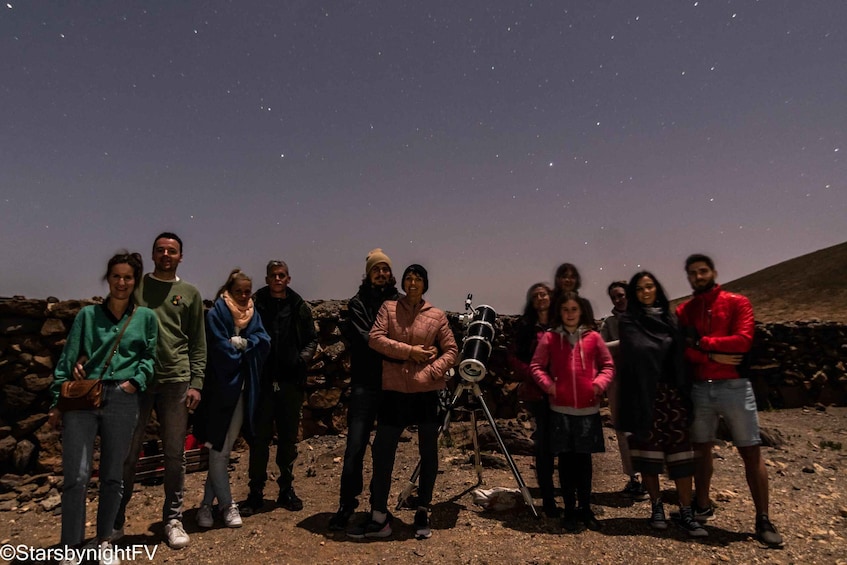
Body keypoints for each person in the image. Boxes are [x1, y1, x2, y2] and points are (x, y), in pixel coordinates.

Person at [48, 252, 158, 564]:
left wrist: (134, 382)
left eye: (128, 277)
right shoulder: (87, 316)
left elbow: (150, 356)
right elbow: (68, 361)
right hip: (83, 399)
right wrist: (58, 400)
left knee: (113, 476)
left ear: (135, 281)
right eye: (116, 276)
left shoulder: (146, 318)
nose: (121, 282)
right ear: (107, 278)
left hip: (123, 399)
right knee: (77, 476)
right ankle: (70, 546)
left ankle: (104, 540)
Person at [676, 254, 784, 547]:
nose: (698, 277)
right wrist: (711, 354)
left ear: (713, 271)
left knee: (750, 450)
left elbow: (743, 340)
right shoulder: (686, 310)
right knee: (701, 449)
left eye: (702, 271)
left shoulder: (737, 302)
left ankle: (763, 518)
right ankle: (702, 504)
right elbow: (682, 349)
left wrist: (702, 344)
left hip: (735, 386)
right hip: (701, 387)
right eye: (692, 273)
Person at [110, 233, 207, 550]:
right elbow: (114, 326)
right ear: (152, 254)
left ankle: (173, 519)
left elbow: (197, 342)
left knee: (175, 454)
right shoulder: (135, 288)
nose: (166, 254)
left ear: (181, 256)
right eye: (161, 249)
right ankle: (114, 521)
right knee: (127, 453)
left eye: (172, 250)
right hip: (136, 382)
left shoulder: (190, 294)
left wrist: (197, 383)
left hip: (176, 380)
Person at [348, 264, 458, 540]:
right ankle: (379, 515)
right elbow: (375, 339)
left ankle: (423, 509)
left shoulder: (437, 315)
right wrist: (410, 352)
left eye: (417, 279)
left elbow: (452, 350)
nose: (412, 283)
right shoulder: (388, 308)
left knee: (428, 453)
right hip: (394, 391)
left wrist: (431, 372)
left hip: (426, 393)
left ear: (425, 284)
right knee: (383, 451)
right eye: (408, 278)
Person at [616, 271, 707, 537]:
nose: (646, 292)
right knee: (648, 454)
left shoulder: (671, 319)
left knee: (681, 453)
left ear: (657, 289)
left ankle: (686, 511)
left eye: (650, 287)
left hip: (672, 394)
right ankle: (656, 507)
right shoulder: (629, 321)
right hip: (644, 395)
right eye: (640, 289)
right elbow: (637, 350)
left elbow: (679, 354)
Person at [530, 292, 613, 533]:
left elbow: (607, 365)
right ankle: (569, 510)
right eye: (565, 309)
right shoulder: (550, 338)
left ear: (581, 311)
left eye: (573, 309)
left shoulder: (594, 338)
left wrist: (598, 384)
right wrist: (550, 386)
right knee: (566, 462)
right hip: (561, 410)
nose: (569, 313)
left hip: (587, 410)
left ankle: (585, 508)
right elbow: (537, 366)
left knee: (584, 462)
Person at [328, 249, 399, 531]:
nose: (381, 274)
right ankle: (347, 504)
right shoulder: (357, 304)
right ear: (368, 274)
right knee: (355, 446)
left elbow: (400, 334)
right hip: (364, 385)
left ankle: (378, 508)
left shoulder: (398, 303)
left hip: (391, 385)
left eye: (385, 269)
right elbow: (368, 338)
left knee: (384, 449)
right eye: (376, 270)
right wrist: (398, 349)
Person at [194, 269, 270, 529]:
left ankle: (205, 506)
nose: (244, 295)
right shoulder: (217, 313)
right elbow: (218, 348)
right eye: (239, 291)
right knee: (219, 448)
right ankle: (227, 505)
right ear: (229, 289)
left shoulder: (252, 312)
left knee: (223, 450)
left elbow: (263, 341)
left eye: (248, 291)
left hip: (243, 391)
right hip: (221, 392)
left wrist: (243, 344)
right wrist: (243, 349)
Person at [244, 260, 317, 514]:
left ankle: (286, 489)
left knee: (288, 440)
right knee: (259, 439)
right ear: (267, 279)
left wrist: (300, 361)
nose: (277, 279)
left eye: (282, 275)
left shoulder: (298, 306)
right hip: (262, 382)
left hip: (290, 383)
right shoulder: (256, 304)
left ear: (288, 278)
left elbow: (311, 340)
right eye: (273, 275)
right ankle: (255, 492)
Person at [507, 282, 558, 517]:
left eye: (544, 294)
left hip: (565, 392)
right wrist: (534, 374)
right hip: (539, 393)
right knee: (545, 447)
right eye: (535, 295)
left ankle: (570, 496)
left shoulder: (563, 322)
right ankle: (548, 499)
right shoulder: (525, 327)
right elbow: (514, 357)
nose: (540, 298)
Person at [599, 281, 647, 501]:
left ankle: (651, 477)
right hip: (617, 382)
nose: (618, 300)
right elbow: (600, 350)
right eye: (614, 297)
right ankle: (633, 478)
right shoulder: (609, 323)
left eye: (621, 295)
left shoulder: (646, 317)